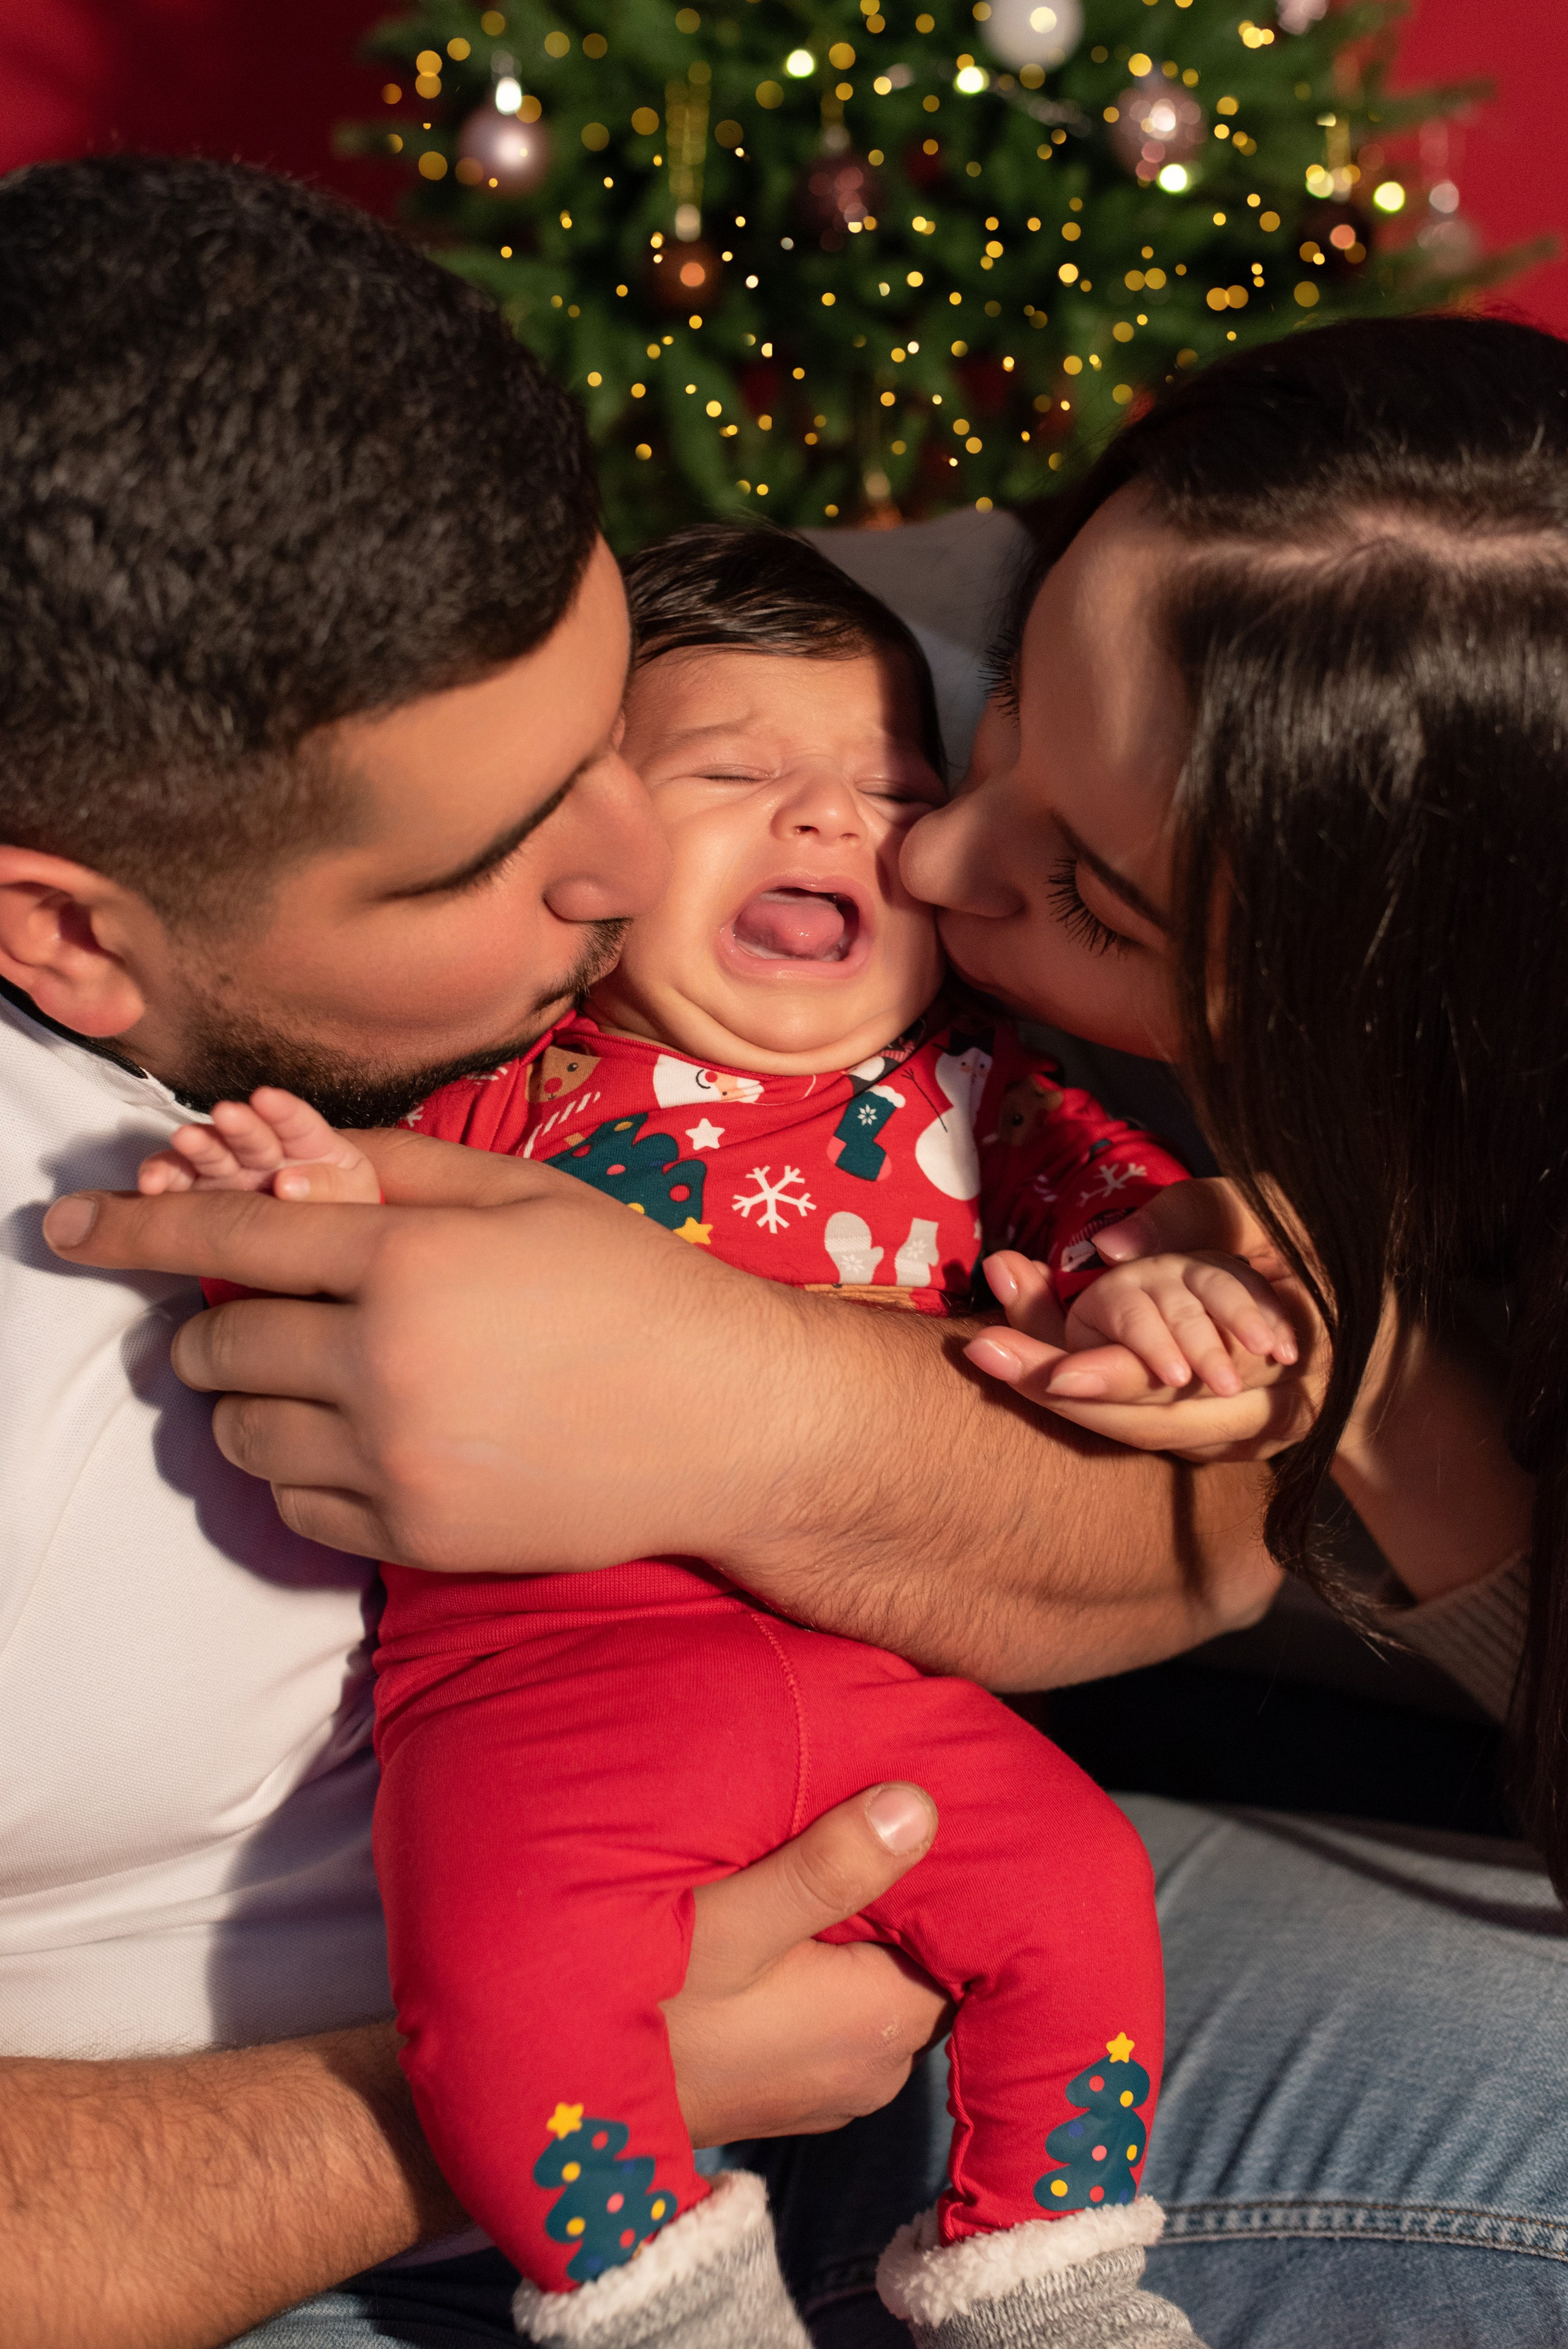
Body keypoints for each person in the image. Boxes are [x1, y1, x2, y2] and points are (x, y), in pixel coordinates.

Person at [64, 311, 1568, 2349]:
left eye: (1094, 896)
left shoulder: (1120, 1076)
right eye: (1002, 713)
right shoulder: (818, 687)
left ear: (1400, 1024)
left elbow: (1219, 1502)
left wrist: (1372, 1399)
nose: (922, 845)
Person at [138, 525, 1311, 2347]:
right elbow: (311, 1256)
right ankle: (662, 2294)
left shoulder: (984, 1092)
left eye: (893, 791)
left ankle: (1052, 2276)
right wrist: (287, 1181)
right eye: (731, 775)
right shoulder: (507, 1072)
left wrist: (1160, 1291)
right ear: (585, 848)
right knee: (508, 1984)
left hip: (877, 1676)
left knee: (1077, 1885)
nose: (834, 817)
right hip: (543, 1692)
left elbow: (1146, 1238)